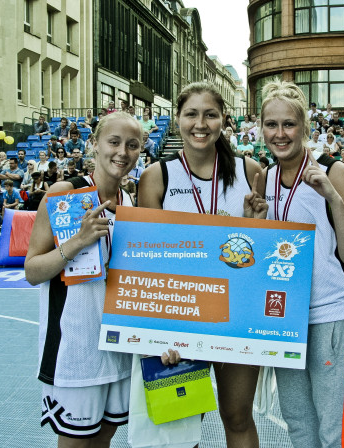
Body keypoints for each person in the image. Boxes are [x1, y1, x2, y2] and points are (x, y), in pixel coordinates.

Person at [138, 81, 264, 448]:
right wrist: (155, 334)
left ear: (224, 119)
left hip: (236, 311)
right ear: (177, 119)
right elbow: (146, 260)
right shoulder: (157, 175)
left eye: (210, 114)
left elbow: (260, 253)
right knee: (182, 423)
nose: (201, 123)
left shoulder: (249, 170)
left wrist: (252, 224)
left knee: (238, 416)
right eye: (191, 114)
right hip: (181, 314)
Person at [260, 80, 344, 448]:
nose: (280, 134)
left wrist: (332, 197)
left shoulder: (333, 171)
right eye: (271, 125)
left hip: (334, 317)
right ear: (261, 128)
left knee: (335, 433)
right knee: (300, 427)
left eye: (288, 124)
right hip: (287, 320)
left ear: (304, 126)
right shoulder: (266, 178)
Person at [25, 112, 142, 447]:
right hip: (74, 346)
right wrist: (79, 240)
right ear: (94, 145)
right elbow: (32, 270)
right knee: (75, 443)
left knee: (104, 439)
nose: (122, 152)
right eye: (114, 142)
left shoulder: (130, 201)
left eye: (132, 145)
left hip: (116, 346)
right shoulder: (65, 193)